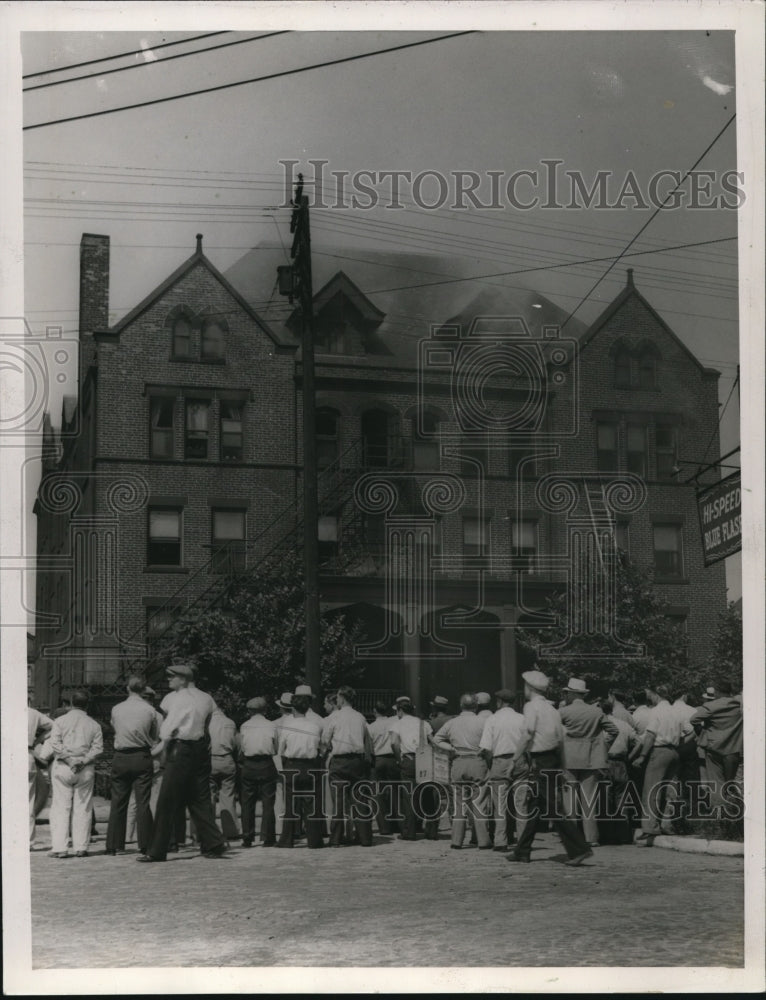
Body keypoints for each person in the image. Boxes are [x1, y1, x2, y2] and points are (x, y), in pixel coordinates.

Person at [137, 664, 227, 862]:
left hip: (180, 749)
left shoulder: (178, 699)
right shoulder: (206, 697)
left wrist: (158, 749)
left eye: (172, 677)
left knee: (166, 800)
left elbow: (168, 729)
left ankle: (157, 850)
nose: (169, 680)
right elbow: (209, 720)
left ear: (184, 679)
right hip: (201, 750)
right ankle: (214, 843)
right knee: (199, 798)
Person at [507, 670, 593, 867]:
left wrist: (514, 760)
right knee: (536, 807)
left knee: (553, 808)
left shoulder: (531, 707)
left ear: (529, 688)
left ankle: (579, 849)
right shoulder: (553, 710)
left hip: (541, 760)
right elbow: (560, 740)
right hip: (553, 759)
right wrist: (561, 766)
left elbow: (528, 734)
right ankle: (522, 851)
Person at [559, 677, 616, 848]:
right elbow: (614, 731)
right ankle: (592, 837)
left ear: (571, 694)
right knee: (589, 799)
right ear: (583, 694)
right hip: (591, 758)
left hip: (568, 758)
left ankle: (573, 837)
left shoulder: (563, 712)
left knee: (569, 800)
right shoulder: (596, 712)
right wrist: (602, 745)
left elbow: (554, 733)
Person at [106, 675, 159, 855]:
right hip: (142, 755)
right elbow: (154, 735)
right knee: (142, 801)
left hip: (121, 756)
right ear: (143, 689)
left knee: (118, 801)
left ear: (127, 688)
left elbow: (115, 728)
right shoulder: (150, 710)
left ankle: (115, 845)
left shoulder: (117, 709)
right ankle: (145, 843)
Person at [633, 683, 693, 839]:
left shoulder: (656, 711)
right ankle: (667, 823)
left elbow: (651, 735)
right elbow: (691, 731)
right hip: (674, 752)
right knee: (668, 791)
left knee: (651, 789)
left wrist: (642, 756)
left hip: (659, 751)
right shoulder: (676, 712)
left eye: (649, 695)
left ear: (655, 694)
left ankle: (650, 827)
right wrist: (679, 745)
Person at [49, 690, 103, 859]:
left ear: (71, 703)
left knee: (60, 807)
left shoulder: (60, 721)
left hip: (64, 765)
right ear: (86, 704)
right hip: (84, 767)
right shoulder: (94, 724)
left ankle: (60, 847)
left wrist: (69, 759)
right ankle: (81, 847)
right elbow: (98, 748)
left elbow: (55, 744)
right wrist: (83, 760)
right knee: (83, 807)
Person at [434, 693, 490, 850]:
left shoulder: (452, 723)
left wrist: (451, 748)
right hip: (477, 761)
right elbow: (490, 742)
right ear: (476, 706)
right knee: (479, 802)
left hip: (458, 761)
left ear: (461, 706)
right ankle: (483, 840)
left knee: (459, 804)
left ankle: (456, 840)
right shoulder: (483, 722)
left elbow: (437, 739)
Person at [322, 685, 374, 847]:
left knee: (338, 801)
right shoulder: (360, 717)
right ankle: (365, 837)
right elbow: (367, 739)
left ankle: (336, 838)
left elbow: (325, 740)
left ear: (342, 698)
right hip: (357, 761)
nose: (336, 700)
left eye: (337, 697)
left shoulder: (335, 717)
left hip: (339, 761)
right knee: (360, 799)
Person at [479, 688, 528, 851]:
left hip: (499, 761)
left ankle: (501, 841)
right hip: (519, 760)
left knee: (499, 804)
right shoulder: (522, 719)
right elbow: (528, 743)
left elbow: (486, 748)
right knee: (521, 804)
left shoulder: (492, 720)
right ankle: (522, 841)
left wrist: (491, 764)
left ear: (499, 702)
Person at [277, 693, 324, 848]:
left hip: (292, 765)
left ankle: (287, 840)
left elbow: (281, 750)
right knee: (311, 804)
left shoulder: (287, 726)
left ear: (293, 708)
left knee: (291, 803)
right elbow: (321, 748)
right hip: (311, 765)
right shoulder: (315, 726)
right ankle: (315, 840)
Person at [690, 681, 743, 804]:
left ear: (717, 692)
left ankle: (719, 815)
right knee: (729, 782)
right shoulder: (739, 705)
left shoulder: (712, 706)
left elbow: (693, 719)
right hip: (733, 749)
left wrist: (703, 731)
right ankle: (733, 812)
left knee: (717, 783)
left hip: (714, 749)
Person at [389, 696, 433, 841]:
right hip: (424, 760)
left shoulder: (398, 724)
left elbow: (394, 743)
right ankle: (430, 830)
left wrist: (398, 758)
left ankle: (409, 831)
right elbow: (432, 741)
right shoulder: (423, 723)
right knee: (425, 795)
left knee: (409, 797)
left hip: (408, 760)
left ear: (400, 710)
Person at [600, 699, 641, 844]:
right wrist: (630, 757)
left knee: (605, 799)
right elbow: (639, 742)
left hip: (605, 762)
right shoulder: (624, 725)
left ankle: (607, 835)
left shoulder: (601, 725)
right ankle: (623, 834)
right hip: (621, 762)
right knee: (622, 798)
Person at [239, 696, 278, 847]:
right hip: (267, 763)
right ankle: (268, 837)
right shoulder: (271, 725)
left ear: (249, 711)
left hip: (249, 764)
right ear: (265, 710)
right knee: (268, 802)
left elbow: (243, 747)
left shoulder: (244, 726)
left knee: (247, 802)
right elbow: (275, 748)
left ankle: (247, 837)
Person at [367, 701, 399, 835]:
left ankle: (384, 827)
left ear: (375, 711)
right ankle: (396, 823)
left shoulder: (371, 727)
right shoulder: (394, 723)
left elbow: (368, 747)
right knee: (394, 792)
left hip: (378, 759)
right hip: (392, 759)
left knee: (378, 794)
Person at [209, 706, 240, 840]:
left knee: (208, 797)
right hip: (227, 759)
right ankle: (231, 832)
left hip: (210, 759)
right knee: (228, 796)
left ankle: (208, 831)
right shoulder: (230, 722)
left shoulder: (206, 722)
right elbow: (236, 744)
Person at [28, 701, 52, 850]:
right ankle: (28, 841)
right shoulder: (33, 713)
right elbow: (53, 726)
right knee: (29, 801)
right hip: (27, 753)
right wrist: (38, 740)